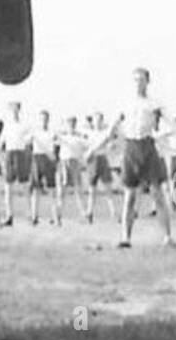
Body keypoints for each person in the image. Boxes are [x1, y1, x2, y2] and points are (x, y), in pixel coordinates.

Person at [102, 68, 170, 248]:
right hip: (131, 147)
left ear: (148, 82)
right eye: (135, 80)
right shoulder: (125, 103)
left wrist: (168, 136)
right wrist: (94, 149)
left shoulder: (154, 104)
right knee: (129, 196)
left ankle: (167, 237)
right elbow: (111, 130)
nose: (138, 83)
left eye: (142, 80)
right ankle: (126, 237)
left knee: (158, 194)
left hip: (148, 145)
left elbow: (170, 124)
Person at [0, 101, 31, 227]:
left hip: (21, 154)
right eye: (12, 110)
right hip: (9, 154)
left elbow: (29, 139)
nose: (14, 112)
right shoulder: (7, 125)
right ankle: (9, 216)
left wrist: (24, 146)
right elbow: (1, 141)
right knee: (8, 187)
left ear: (19, 110)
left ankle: (30, 215)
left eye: (16, 109)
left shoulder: (24, 125)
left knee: (24, 186)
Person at [55, 116, 89, 224]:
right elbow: (54, 140)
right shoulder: (62, 136)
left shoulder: (80, 137)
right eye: (69, 123)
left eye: (73, 123)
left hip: (75, 163)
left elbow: (87, 146)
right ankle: (58, 216)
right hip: (64, 163)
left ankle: (84, 215)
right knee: (61, 192)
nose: (71, 125)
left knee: (79, 190)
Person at [28, 109, 59, 226]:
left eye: (46, 119)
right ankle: (34, 217)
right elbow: (28, 143)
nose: (44, 121)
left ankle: (55, 217)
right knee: (36, 189)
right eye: (42, 119)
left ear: (48, 120)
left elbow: (57, 145)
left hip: (49, 160)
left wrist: (54, 157)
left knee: (52, 189)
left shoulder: (52, 132)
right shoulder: (34, 132)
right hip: (37, 158)